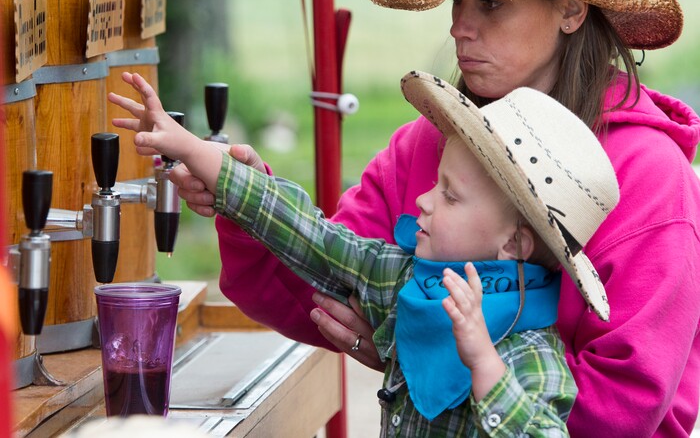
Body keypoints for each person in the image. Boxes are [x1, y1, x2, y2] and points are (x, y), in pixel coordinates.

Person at [171, 0, 700, 437]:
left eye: (491, 4)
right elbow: (317, 283)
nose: (458, 29)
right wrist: (246, 200)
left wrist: (428, 355)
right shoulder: (426, 144)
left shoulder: (651, 178)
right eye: (458, 1)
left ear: (570, 10)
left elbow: (620, 407)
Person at [109, 69, 620, 436]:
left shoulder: (532, 355)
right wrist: (195, 151)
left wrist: (485, 365)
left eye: (449, 194)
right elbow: (311, 234)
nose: (422, 198)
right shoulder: (401, 280)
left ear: (513, 243)